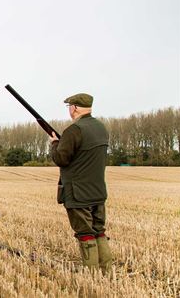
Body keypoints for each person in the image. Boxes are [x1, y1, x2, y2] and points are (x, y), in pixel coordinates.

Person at [49, 93, 112, 272]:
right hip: (98, 191)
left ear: (74, 108)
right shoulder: (101, 128)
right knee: (99, 230)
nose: (69, 110)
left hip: (78, 193)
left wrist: (54, 143)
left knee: (85, 234)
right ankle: (106, 270)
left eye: (69, 106)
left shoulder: (74, 130)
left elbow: (61, 158)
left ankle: (92, 275)